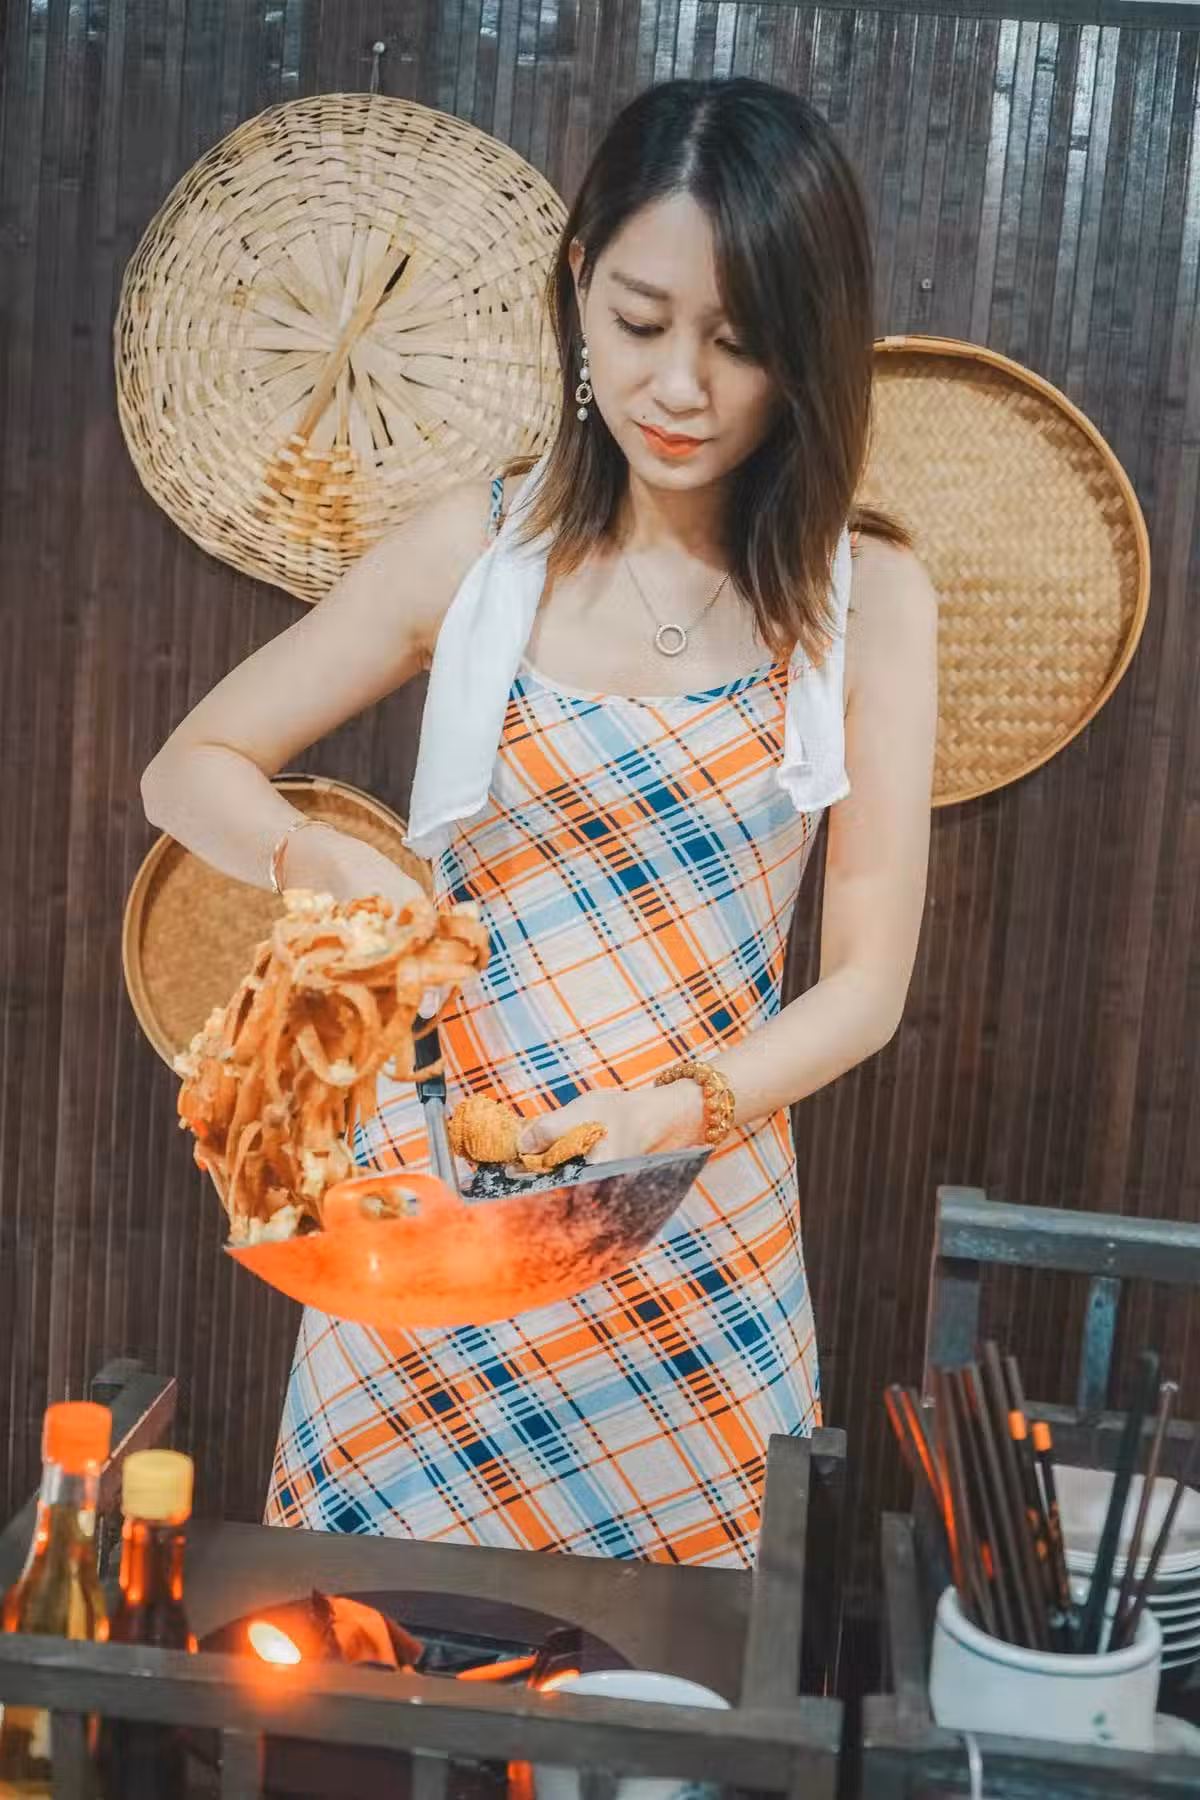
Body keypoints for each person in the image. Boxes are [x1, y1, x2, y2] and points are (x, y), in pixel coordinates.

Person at [141, 76, 937, 1567]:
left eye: (739, 342)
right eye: (639, 322)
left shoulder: (865, 596)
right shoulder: (477, 549)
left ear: (808, 349)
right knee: (364, 1665)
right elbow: (191, 768)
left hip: (693, 1240)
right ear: (578, 288)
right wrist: (317, 856)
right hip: (433, 1232)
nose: (680, 387)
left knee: (669, 1686)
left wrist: (675, 1114)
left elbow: (866, 985)